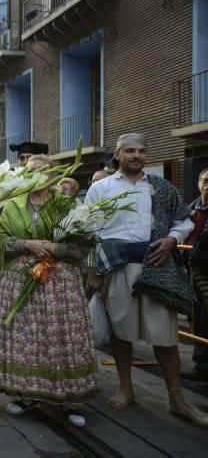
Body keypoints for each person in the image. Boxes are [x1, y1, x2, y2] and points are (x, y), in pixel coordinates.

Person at [86, 133, 208, 427]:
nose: (136, 156)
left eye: (142, 151)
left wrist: (171, 240)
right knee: (121, 332)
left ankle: (177, 398)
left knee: (165, 335)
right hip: (116, 268)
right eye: (130, 151)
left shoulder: (162, 187)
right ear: (118, 153)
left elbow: (185, 220)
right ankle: (126, 388)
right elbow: (88, 229)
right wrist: (93, 271)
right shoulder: (101, 188)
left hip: (157, 267)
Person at [0, 154, 98, 427]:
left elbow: (83, 243)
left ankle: (67, 399)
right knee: (28, 338)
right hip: (20, 281)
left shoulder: (66, 204)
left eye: (42, 171)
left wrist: (55, 248)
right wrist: (26, 244)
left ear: (52, 175)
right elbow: (0, 242)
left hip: (59, 284)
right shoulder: (12, 205)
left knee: (59, 338)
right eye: (30, 171)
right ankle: (27, 395)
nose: (36, 176)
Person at [182, 168, 208, 380]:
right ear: (199, 182)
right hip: (193, 268)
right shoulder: (190, 209)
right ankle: (201, 364)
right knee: (199, 316)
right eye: (206, 180)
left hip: (205, 268)